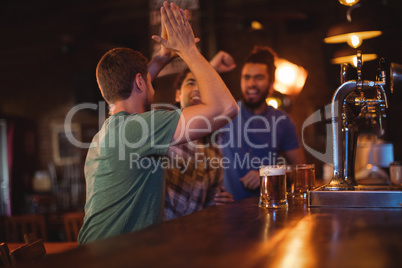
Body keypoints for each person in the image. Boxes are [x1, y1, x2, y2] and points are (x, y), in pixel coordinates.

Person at [78, 2, 238, 244]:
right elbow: (227, 108)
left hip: (92, 253)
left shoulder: (110, 132)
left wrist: (164, 55)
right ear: (141, 83)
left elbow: (132, 82)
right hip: (114, 258)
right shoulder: (139, 127)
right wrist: (187, 50)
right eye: (150, 81)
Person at [218, 46, 305, 201]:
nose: (251, 83)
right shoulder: (226, 112)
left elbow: (301, 170)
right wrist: (212, 67)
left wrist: (267, 173)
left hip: (268, 209)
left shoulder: (283, 121)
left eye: (259, 77)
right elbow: (191, 95)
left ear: (271, 83)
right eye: (246, 77)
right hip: (225, 212)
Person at [164, 51, 235, 220]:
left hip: (196, 235)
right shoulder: (164, 130)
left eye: (201, 86)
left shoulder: (214, 149)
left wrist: (220, 203)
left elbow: (209, 203)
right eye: (190, 83)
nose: (197, 89)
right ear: (177, 94)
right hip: (159, 236)